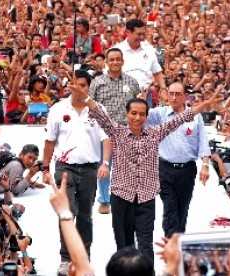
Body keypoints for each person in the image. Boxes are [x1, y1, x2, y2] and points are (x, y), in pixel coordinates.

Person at [71, 75, 217, 262]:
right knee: (124, 246)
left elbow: (181, 118)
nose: (138, 117)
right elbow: (99, 112)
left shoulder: (156, 133)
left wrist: (204, 105)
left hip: (146, 198)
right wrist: (83, 96)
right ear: (127, 114)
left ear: (148, 117)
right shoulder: (117, 132)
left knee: (146, 244)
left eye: (142, 114)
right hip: (121, 196)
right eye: (133, 113)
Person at [42, 70, 110, 275]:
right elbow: (49, 140)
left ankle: (84, 256)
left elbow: (106, 138)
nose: (79, 88)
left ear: (88, 87)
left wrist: (105, 163)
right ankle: (65, 258)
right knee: (67, 211)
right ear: (69, 86)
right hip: (65, 168)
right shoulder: (58, 109)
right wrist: (45, 168)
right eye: (75, 84)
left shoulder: (97, 109)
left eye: (83, 85)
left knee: (85, 215)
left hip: (89, 169)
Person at [146, 82, 211, 237]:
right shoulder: (159, 114)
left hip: (187, 169)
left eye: (178, 94)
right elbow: (141, 115)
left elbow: (203, 141)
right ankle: (170, 242)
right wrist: (142, 99)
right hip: (164, 168)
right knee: (170, 207)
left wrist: (206, 165)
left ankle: (179, 241)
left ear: (184, 96)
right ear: (166, 94)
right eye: (171, 93)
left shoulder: (195, 116)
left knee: (183, 207)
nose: (174, 97)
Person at [89, 47, 140, 214]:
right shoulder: (97, 82)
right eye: (111, 59)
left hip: (127, 131)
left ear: (123, 61)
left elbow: (139, 107)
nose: (115, 62)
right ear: (106, 62)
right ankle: (104, 200)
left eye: (118, 59)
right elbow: (91, 106)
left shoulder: (132, 82)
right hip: (105, 133)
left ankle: (126, 198)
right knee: (104, 166)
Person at [112, 19, 167, 107]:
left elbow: (157, 72)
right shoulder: (117, 50)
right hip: (122, 96)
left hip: (145, 96)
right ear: (128, 32)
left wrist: (163, 88)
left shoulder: (149, 49)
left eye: (143, 34)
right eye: (138, 34)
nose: (141, 37)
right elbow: (110, 75)